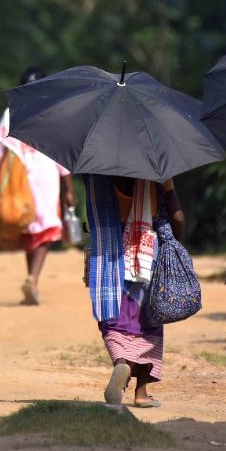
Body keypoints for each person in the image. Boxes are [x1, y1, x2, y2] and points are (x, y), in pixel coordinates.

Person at [0, 67, 75, 305]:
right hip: (47, 175)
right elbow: (62, 153)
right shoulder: (53, 112)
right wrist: (69, 189)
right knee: (47, 229)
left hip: (20, 177)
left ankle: (33, 281)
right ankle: (33, 277)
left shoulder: (12, 111)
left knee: (29, 228)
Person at [83, 175, 183, 409]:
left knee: (114, 319)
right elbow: (178, 217)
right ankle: (141, 392)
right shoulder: (155, 169)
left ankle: (122, 362)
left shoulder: (98, 169)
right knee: (147, 321)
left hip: (108, 250)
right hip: (148, 249)